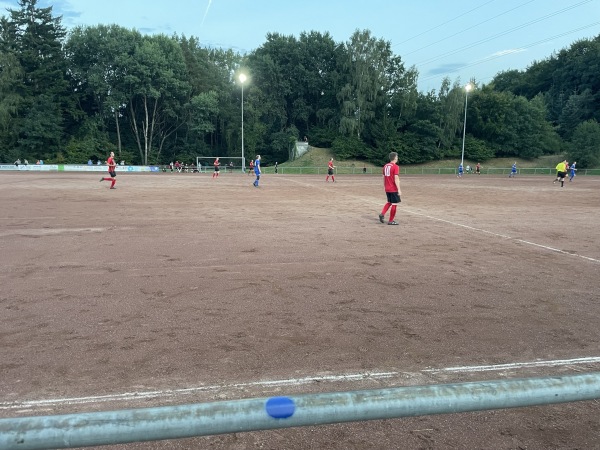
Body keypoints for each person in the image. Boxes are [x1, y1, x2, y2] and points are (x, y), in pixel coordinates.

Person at [379, 151, 401, 226]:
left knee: (389, 202)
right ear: (395, 158)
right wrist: (399, 189)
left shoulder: (385, 166)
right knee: (394, 204)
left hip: (387, 188)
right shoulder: (395, 166)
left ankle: (382, 213)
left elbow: (383, 177)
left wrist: (385, 186)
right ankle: (391, 221)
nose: (397, 158)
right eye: (397, 157)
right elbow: (396, 178)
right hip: (393, 188)